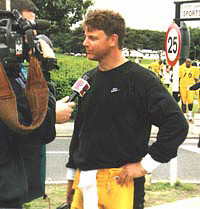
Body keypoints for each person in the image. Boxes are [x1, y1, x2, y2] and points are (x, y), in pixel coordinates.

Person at [66, 9, 189, 209]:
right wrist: (71, 177)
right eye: (85, 37)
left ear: (113, 39)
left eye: (92, 38)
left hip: (120, 184)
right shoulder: (88, 79)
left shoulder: (140, 80)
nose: (85, 43)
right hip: (85, 181)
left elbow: (176, 124)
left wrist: (145, 166)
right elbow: (80, 131)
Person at [0, 0, 57, 208]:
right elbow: (44, 131)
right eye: (25, 28)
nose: (31, 37)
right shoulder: (8, 82)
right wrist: (44, 70)